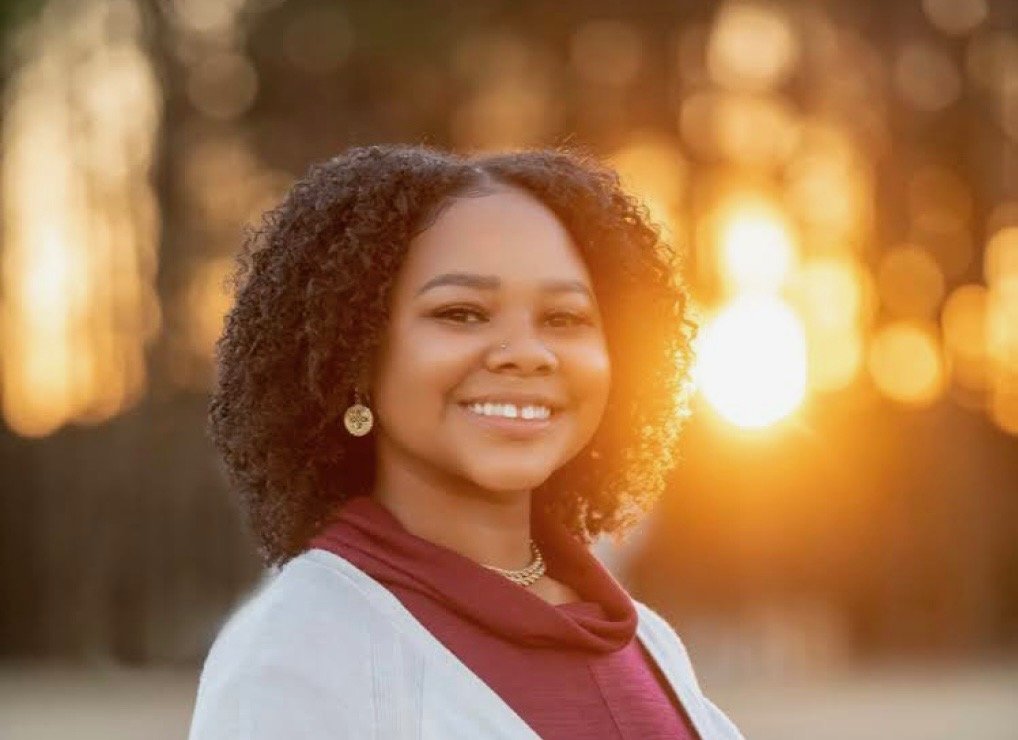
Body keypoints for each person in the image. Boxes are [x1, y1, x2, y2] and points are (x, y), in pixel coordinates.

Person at [188, 144, 743, 739]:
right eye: (462, 313)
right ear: (353, 352)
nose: (526, 354)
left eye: (564, 318)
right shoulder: (297, 652)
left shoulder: (648, 643)